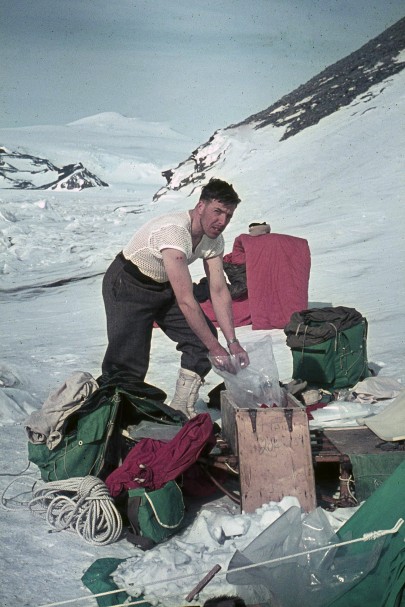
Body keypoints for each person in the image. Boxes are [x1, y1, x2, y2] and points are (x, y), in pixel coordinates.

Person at [101, 178, 249, 418]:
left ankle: (181, 407)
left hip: (163, 285)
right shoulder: (174, 231)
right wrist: (216, 348)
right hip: (128, 284)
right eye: (217, 212)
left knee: (202, 341)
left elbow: (219, 290)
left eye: (228, 215)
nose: (222, 222)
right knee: (128, 359)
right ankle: (112, 421)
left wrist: (231, 342)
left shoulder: (214, 239)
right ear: (201, 206)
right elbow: (186, 301)